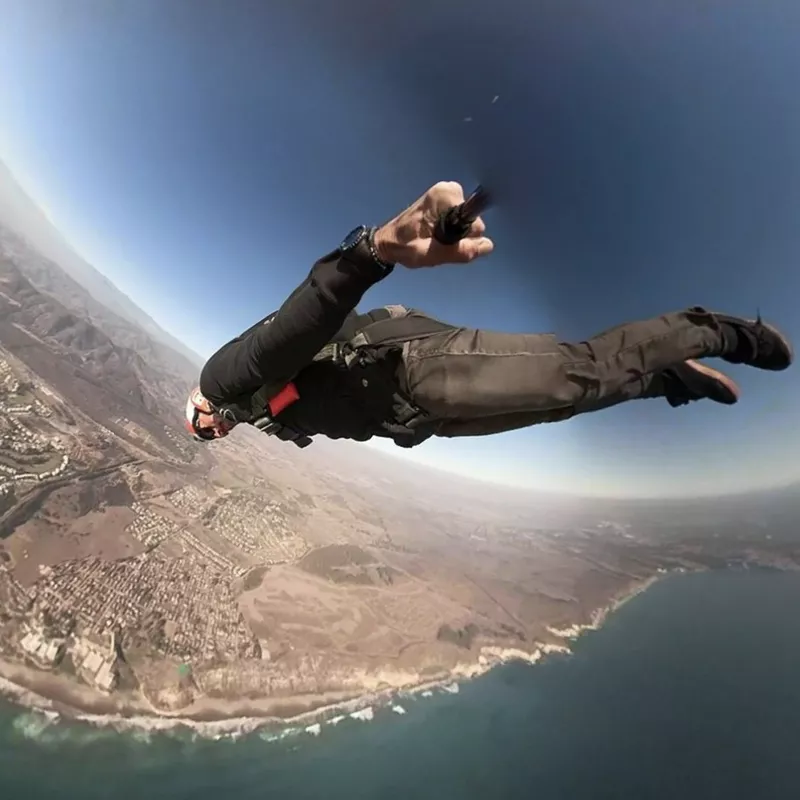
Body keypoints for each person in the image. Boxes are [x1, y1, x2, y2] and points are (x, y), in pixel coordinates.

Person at [185, 181, 793, 449]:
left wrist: (372, 252)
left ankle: (717, 329)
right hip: (418, 416)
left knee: (575, 371)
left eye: (200, 427)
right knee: (558, 402)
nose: (213, 433)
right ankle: (666, 378)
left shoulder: (225, 381)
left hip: (414, 368)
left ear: (199, 407)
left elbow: (298, 325)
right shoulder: (255, 411)